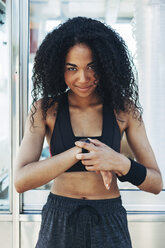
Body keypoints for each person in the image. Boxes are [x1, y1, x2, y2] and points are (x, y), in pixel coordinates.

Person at [14, 17, 163, 248]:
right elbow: (21, 181)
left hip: (109, 219)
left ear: (106, 64)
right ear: (58, 68)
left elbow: (155, 183)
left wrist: (119, 163)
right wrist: (81, 152)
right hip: (59, 220)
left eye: (92, 66)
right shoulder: (46, 110)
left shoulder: (125, 110)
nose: (82, 78)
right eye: (71, 68)